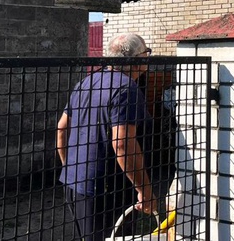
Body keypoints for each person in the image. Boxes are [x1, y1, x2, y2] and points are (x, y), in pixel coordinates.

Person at [56, 33, 163, 241]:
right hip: (109, 191)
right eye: (146, 53)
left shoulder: (86, 83)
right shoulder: (127, 89)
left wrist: (71, 168)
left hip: (75, 184)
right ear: (136, 60)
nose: (148, 57)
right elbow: (122, 144)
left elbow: (61, 129)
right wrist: (145, 190)